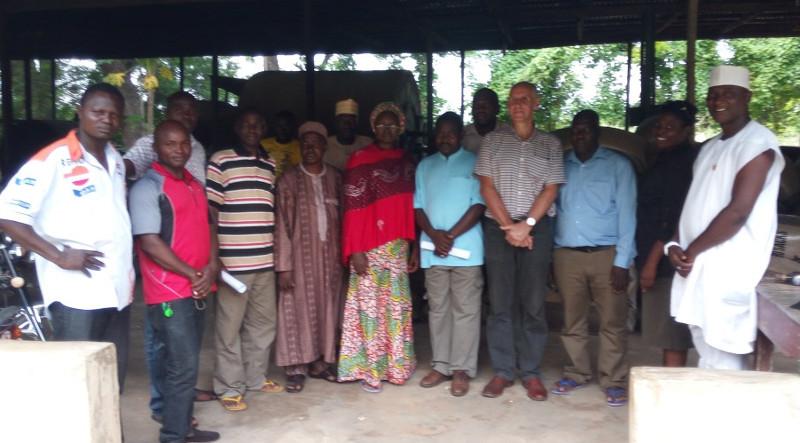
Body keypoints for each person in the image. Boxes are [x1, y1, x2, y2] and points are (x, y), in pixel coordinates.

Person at [0, 83, 134, 390]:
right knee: (80, 383)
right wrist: (58, 255)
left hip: (116, 290)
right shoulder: (53, 158)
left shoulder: (114, 158)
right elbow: (7, 214)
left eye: (114, 114)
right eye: (98, 112)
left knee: (112, 380)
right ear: (80, 112)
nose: (106, 119)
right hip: (77, 294)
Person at [667, 66, 785, 370]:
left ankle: (727, 415)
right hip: (698, 265)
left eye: (728, 94)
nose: (718, 101)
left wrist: (691, 250)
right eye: (713, 95)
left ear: (746, 97)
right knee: (704, 343)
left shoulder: (757, 144)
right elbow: (694, 204)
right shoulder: (708, 148)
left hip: (728, 267)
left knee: (725, 353)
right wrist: (676, 245)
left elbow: (737, 213)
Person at [129, 120, 220, 443]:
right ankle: (172, 435)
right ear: (156, 147)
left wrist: (210, 265)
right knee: (178, 365)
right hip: (169, 292)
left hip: (197, 285)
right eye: (170, 144)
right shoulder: (148, 187)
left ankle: (182, 428)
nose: (178, 150)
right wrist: (191, 273)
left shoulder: (194, 183)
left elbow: (210, 227)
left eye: (183, 144)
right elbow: (150, 242)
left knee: (187, 362)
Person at [474, 81, 564, 401]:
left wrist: (525, 226)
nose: (518, 105)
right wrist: (510, 227)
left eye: (524, 99)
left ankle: (530, 372)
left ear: (536, 103)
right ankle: (502, 371)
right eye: (513, 100)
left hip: (536, 227)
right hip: (499, 228)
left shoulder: (551, 144)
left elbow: (551, 189)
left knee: (533, 302)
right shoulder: (492, 142)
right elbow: (487, 188)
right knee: (500, 301)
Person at [551, 110, 637, 407]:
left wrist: (622, 262)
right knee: (572, 320)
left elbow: (628, 215)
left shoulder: (618, 166)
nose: (580, 135)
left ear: (597, 133)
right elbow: (553, 211)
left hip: (607, 255)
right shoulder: (560, 167)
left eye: (586, 130)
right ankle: (576, 372)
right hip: (568, 255)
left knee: (612, 322)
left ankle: (613, 379)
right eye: (575, 130)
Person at [338, 102, 418, 393]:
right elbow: (353, 209)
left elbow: (412, 208)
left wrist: (414, 246)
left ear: (401, 127)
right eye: (381, 124)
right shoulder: (360, 159)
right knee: (370, 311)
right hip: (368, 249)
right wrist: (355, 249)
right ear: (373, 127)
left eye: (392, 124)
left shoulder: (407, 161)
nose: (387, 129)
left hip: (397, 247)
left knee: (395, 311)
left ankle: (396, 367)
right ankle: (370, 370)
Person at [207, 109, 283, 412]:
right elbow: (210, 213)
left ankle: (254, 378)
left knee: (263, 326)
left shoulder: (269, 163)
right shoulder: (221, 160)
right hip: (233, 264)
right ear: (237, 128)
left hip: (264, 260)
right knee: (229, 329)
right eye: (247, 125)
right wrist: (216, 258)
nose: (253, 129)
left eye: (258, 124)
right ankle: (229, 387)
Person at [415, 112, 485, 397]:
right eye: (440, 133)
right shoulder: (424, 166)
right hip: (433, 252)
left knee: (466, 311)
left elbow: (479, 205)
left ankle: (461, 370)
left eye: (451, 133)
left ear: (461, 135)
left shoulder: (475, 163)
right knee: (438, 310)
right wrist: (434, 235)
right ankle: (441, 365)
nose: (445, 138)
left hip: (467, 252)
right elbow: (418, 206)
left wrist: (450, 236)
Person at [275, 121, 344, 393]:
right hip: (298, 261)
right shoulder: (288, 180)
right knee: (297, 309)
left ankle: (320, 363)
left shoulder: (336, 178)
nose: (310, 148)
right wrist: (284, 267)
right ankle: (296, 368)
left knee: (327, 309)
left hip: (331, 259)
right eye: (305, 144)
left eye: (316, 144)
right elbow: (281, 225)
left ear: (325, 147)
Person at [637, 101, 698, 367]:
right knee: (666, 330)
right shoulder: (663, 157)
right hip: (659, 256)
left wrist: (650, 264)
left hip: (665, 261)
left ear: (686, 131)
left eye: (670, 127)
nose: (662, 131)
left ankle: (673, 389)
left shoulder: (680, 163)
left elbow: (671, 218)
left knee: (671, 331)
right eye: (659, 126)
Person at [124, 90, 206, 183]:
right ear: (167, 114)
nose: (186, 115)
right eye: (179, 110)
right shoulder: (151, 142)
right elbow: (127, 165)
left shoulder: (199, 148)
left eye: (192, 111)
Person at [324, 98, 373, 170]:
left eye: (351, 121)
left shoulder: (368, 143)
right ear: (336, 123)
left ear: (356, 123)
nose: (347, 125)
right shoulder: (325, 145)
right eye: (342, 121)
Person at [462, 88, 509, 154]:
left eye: (486, 105)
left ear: (497, 109)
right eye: (477, 105)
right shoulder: (462, 135)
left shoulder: (509, 133)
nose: (481, 109)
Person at [261, 110, 301, 178]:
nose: (282, 129)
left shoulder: (299, 147)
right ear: (274, 127)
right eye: (279, 125)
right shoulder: (263, 144)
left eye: (286, 125)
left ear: (292, 127)